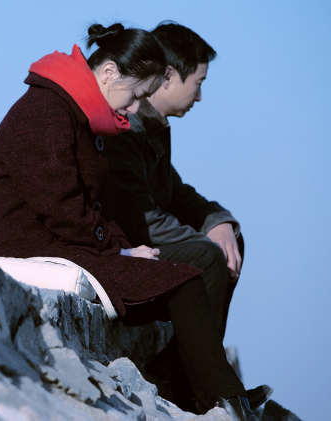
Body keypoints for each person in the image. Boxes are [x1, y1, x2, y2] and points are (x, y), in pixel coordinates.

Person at [0, 23, 256, 419]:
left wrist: (124, 247)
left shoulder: (73, 112)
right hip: (35, 246)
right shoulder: (47, 111)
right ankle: (224, 399)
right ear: (108, 73)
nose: (132, 110)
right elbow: (61, 208)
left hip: (63, 242)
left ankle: (214, 393)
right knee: (187, 279)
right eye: (134, 96)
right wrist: (119, 249)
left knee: (182, 278)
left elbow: (84, 209)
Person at [100, 21, 270, 412]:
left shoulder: (155, 127)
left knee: (228, 242)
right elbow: (137, 214)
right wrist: (203, 241)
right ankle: (206, 389)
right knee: (207, 256)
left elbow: (173, 191)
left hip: (145, 232)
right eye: (198, 82)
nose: (200, 96)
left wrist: (217, 221)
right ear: (169, 76)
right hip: (129, 243)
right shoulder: (128, 125)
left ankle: (178, 372)